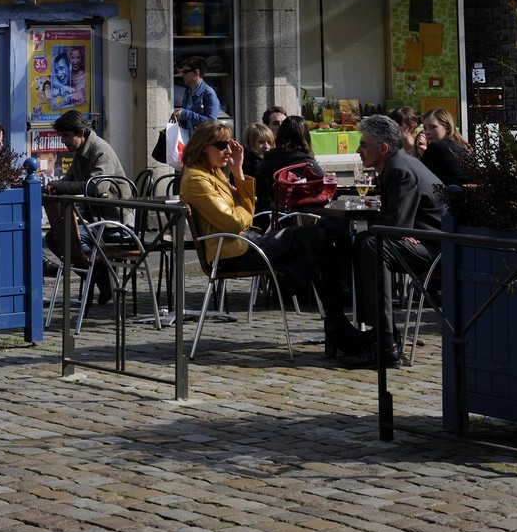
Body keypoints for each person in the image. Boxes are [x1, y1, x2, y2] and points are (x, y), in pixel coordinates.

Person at [178, 122, 343, 318]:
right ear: (203, 147)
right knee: (313, 237)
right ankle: (336, 311)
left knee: (315, 239)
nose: (228, 151)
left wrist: (237, 171)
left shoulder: (212, 172)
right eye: (222, 145)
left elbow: (244, 209)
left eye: (229, 145)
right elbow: (235, 222)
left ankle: (333, 311)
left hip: (244, 241)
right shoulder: (198, 179)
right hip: (232, 251)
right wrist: (244, 214)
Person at [347, 114, 445, 369]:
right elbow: (397, 226)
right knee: (363, 241)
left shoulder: (399, 169)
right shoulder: (398, 163)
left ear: (383, 148)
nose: (358, 150)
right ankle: (375, 333)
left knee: (374, 245)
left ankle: (386, 344)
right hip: (428, 240)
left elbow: (395, 227)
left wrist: (401, 231)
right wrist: (400, 231)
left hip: (440, 249)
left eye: (363, 145)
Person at [44, 111, 129, 305]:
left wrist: (61, 187)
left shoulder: (100, 150)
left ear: (81, 133)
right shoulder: (81, 151)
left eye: (66, 136)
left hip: (114, 222)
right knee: (54, 237)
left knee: (69, 237)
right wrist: (55, 186)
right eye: (61, 136)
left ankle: (100, 276)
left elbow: (97, 187)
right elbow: (70, 179)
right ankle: (100, 276)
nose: (63, 141)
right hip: (95, 220)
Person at [254, 115, 324, 215]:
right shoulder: (307, 165)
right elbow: (328, 193)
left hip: (269, 217)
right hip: (301, 218)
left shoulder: (266, 161)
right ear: (305, 137)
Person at [421, 107, 477, 186]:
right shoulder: (461, 146)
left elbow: (419, 175)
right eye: (425, 128)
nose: (427, 132)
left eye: (433, 127)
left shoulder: (437, 146)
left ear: (447, 128)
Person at [173, 56, 222, 130]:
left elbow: (212, 122)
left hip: (202, 137)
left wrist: (185, 114)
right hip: (189, 137)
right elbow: (186, 119)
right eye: (182, 71)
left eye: (185, 72)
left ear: (196, 72)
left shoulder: (209, 93)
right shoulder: (188, 91)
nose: (182, 75)